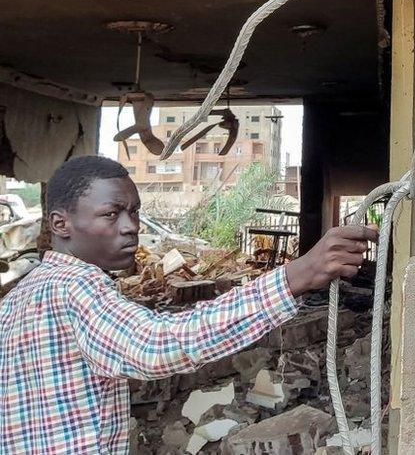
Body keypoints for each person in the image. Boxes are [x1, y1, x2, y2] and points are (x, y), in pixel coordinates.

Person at [0, 156, 377, 453]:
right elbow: (157, 344)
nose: (131, 226)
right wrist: (294, 277)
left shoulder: (23, 293)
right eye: (111, 214)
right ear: (60, 224)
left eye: (133, 211)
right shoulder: (75, 287)